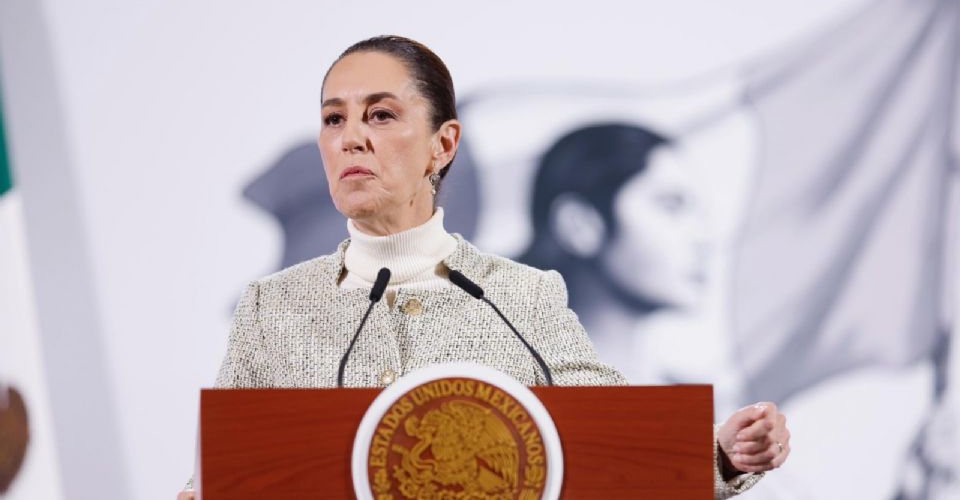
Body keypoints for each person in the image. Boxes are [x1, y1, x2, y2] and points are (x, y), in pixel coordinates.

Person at [177, 35, 789, 500]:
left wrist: (722, 452)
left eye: (381, 115)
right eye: (334, 118)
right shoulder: (273, 308)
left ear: (443, 145)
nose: (350, 137)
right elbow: (225, 475)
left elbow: (618, 442)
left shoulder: (520, 296)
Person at [518, 123, 719, 385]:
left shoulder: (692, 401)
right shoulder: (504, 391)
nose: (704, 238)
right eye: (671, 206)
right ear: (579, 224)